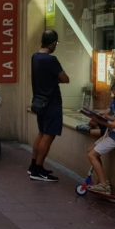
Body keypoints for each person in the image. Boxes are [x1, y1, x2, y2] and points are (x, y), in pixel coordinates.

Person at [30, 30, 69, 182]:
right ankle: (38, 169)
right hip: (52, 101)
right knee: (49, 135)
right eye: (56, 43)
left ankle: (33, 165)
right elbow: (65, 78)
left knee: (41, 132)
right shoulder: (51, 60)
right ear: (53, 43)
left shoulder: (35, 56)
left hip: (39, 100)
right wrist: (57, 79)